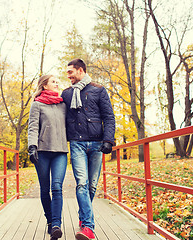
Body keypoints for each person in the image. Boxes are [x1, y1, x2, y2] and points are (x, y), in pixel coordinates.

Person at [61, 59, 115, 240]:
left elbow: (108, 117)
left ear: (81, 70)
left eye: (70, 72)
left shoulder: (98, 90)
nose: (67, 75)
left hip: (97, 143)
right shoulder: (67, 94)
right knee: (82, 184)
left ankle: (83, 217)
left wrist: (108, 140)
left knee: (92, 186)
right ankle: (88, 227)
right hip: (76, 143)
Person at [28, 75, 68, 240]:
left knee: (57, 187)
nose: (57, 83)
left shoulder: (63, 104)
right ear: (44, 86)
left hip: (60, 152)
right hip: (42, 151)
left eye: (58, 81)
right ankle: (50, 221)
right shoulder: (37, 105)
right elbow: (32, 127)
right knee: (45, 189)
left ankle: (57, 224)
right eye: (53, 81)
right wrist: (32, 147)